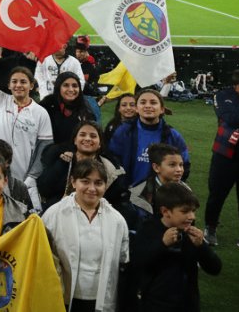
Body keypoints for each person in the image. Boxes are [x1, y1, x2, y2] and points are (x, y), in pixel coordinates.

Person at [0, 41, 53, 211]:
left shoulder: (40, 113)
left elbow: (44, 148)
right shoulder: (1, 100)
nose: (18, 85)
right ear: (8, 85)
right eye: (14, 81)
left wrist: (32, 176)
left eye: (23, 82)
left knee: (21, 216)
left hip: (23, 177)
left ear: (31, 85)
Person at [42, 159, 130, 312]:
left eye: (98, 183)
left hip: (100, 300)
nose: (92, 188)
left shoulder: (117, 220)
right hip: (62, 298)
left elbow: (123, 258)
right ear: (73, 182)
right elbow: (42, 256)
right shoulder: (53, 214)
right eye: (85, 181)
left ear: (105, 185)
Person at [130, 182, 222, 312]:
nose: (192, 217)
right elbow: (137, 264)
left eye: (193, 211)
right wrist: (162, 244)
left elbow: (215, 269)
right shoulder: (148, 229)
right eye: (185, 211)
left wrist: (202, 246)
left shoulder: (191, 234)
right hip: (155, 305)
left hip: (188, 305)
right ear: (165, 211)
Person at [37, 120, 127, 211]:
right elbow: (44, 190)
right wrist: (62, 164)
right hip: (59, 213)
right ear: (75, 140)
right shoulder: (61, 159)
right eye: (82, 135)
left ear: (100, 144)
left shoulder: (109, 169)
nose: (87, 139)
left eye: (93, 136)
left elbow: (115, 202)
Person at [108, 89, 190, 187]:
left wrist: (169, 188)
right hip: (128, 191)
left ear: (162, 109)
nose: (148, 106)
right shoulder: (124, 132)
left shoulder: (172, 135)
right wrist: (121, 185)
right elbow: (112, 160)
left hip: (161, 191)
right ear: (137, 108)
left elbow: (184, 165)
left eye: (153, 102)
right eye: (143, 102)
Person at [204, 69, 239, 247]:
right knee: (217, 194)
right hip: (225, 155)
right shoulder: (222, 96)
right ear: (236, 85)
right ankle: (210, 228)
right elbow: (232, 118)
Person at [41, 72, 99, 145]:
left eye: (75, 86)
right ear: (58, 87)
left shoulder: (85, 107)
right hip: (49, 148)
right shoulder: (47, 106)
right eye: (66, 85)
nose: (71, 89)